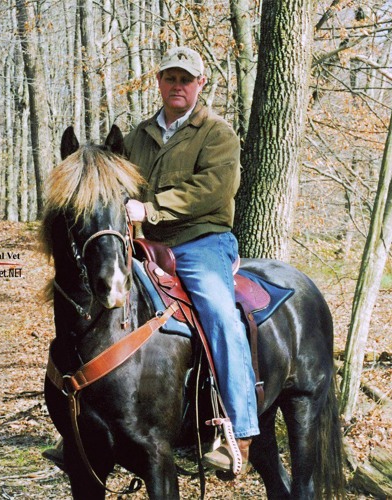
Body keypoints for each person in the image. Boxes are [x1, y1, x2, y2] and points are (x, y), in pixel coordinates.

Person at [125, 46, 259, 475]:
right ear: (159, 82)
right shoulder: (136, 137)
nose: (177, 86)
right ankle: (84, 421)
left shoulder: (217, 133)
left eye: (186, 79)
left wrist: (150, 208)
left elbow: (214, 189)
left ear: (200, 84)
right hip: (148, 243)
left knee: (220, 315)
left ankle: (239, 430)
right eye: (170, 78)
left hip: (202, 242)